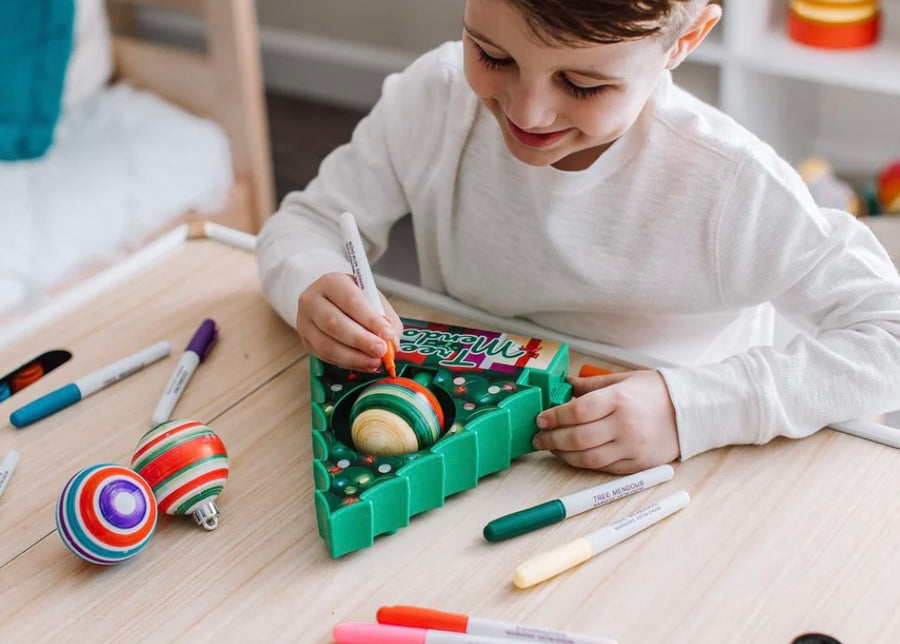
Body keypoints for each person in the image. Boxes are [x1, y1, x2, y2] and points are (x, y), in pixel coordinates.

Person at [256, 0, 900, 474]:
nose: (528, 113)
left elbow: (889, 335)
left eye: (584, 84)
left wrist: (693, 409)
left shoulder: (733, 185)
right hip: (481, 437)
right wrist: (313, 283)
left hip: (678, 470)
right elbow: (306, 225)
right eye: (493, 56)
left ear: (687, 39)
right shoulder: (437, 96)